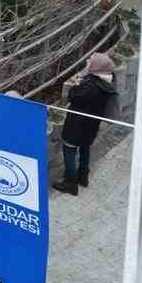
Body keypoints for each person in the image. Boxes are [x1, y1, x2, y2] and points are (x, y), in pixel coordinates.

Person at [53, 51, 117, 195]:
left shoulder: (90, 86)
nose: (88, 61)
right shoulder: (107, 82)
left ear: (96, 68)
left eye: (91, 61)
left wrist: (76, 85)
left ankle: (71, 183)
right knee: (85, 147)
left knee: (69, 149)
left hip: (77, 124)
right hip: (91, 125)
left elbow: (73, 97)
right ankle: (83, 177)